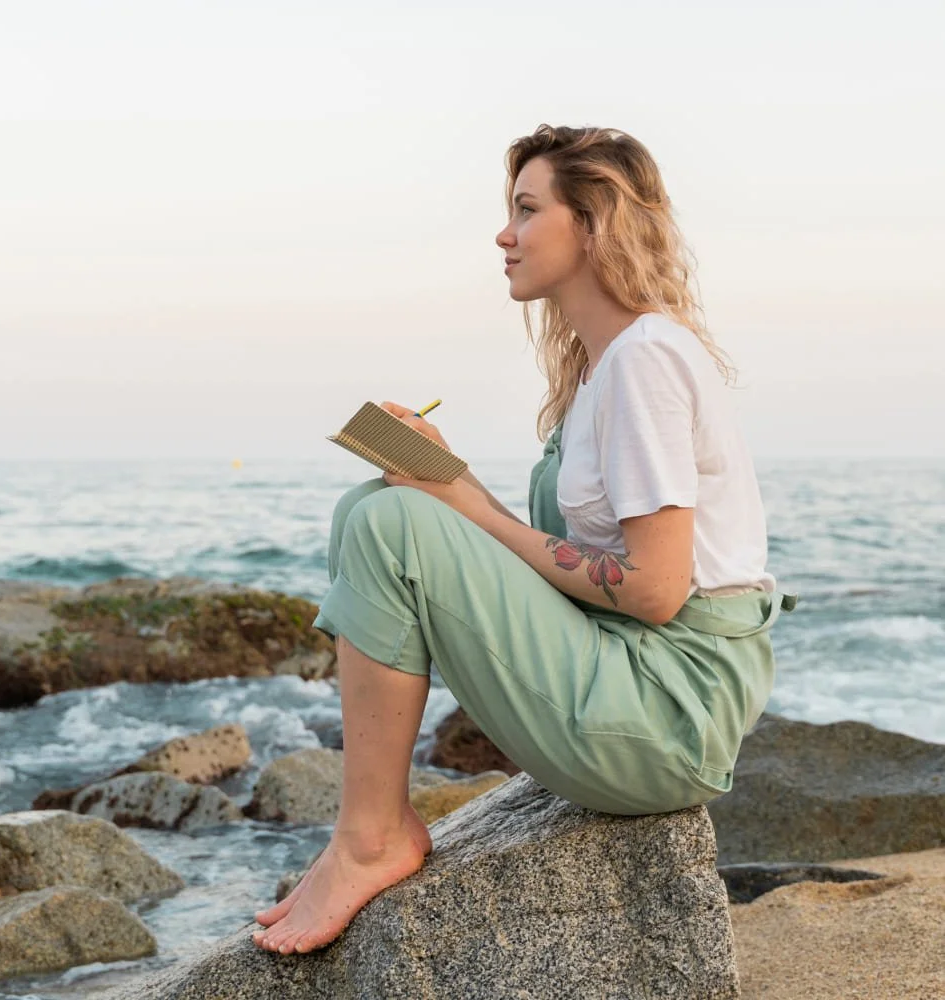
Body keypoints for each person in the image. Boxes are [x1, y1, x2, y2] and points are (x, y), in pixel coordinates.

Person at [251, 124, 797, 956]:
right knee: (373, 509)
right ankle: (371, 826)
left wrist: (459, 508)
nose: (504, 234)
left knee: (392, 524)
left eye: (527, 209)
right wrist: (449, 484)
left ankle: (371, 839)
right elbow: (570, 563)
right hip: (636, 677)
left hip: (667, 711)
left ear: (593, 223)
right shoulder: (604, 364)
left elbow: (654, 588)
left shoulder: (646, 361)